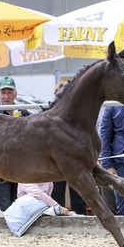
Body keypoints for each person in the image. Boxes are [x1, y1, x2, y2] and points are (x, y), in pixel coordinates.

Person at [0, 76, 32, 211]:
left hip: (20, 163)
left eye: (9, 93)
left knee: (18, 201)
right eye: (3, 93)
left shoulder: (23, 111)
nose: (6, 96)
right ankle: (4, 228)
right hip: (0, 163)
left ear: (15, 94)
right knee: (3, 205)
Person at [50, 81, 88, 215]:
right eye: (59, 95)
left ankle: (82, 219)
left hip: (74, 160)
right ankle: (57, 220)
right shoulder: (49, 115)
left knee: (78, 195)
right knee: (57, 194)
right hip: (56, 161)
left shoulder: (79, 116)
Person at [4, 182, 74, 237]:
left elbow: (47, 197)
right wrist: (57, 205)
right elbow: (37, 193)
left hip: (42, 204)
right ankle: (50, 211)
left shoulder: (49, 181)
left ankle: (49, 211)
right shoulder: (25, 177)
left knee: (44, 203)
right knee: (30, 200)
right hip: (26, 205)